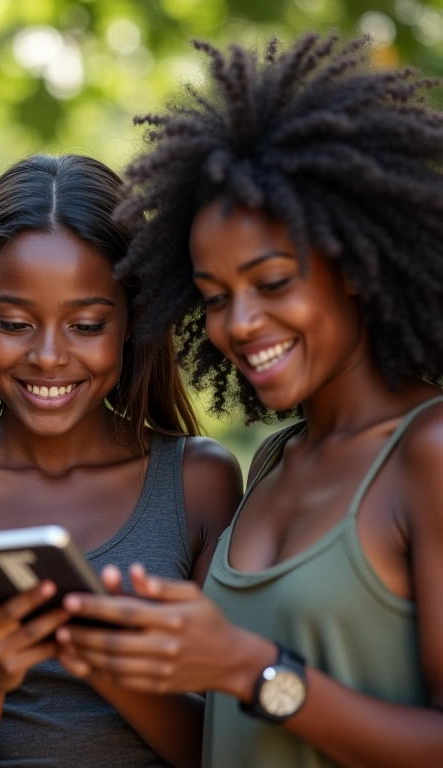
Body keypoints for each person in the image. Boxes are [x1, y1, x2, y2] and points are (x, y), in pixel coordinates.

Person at [53, 32, 443, 768]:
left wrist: (247, 668)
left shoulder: (429, 451)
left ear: (354, 263)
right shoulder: (272, 462)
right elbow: (231, 732)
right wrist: (111, 649)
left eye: (271, 284)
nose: (240, 325)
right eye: (214, 298)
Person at [0, 154, 242, 768]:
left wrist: (102, 657)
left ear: (133, 317)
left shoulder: (199, 483)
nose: (49, 356)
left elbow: (224, 748)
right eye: (15, 323)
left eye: (85, 324)